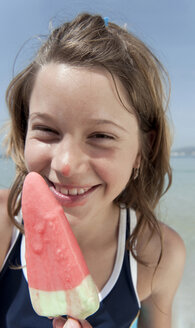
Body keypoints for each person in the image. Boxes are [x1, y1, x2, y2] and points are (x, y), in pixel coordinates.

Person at [0, 13, 186, 328]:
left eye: (100, 136)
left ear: (142, 149)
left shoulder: (160, 255)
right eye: (46, 130)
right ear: (23, 130)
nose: (65, 164)